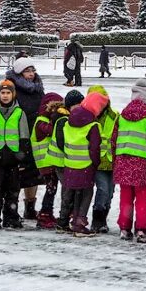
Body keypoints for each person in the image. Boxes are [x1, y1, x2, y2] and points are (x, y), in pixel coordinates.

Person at [113, 79, 146, 243]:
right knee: (142, 198)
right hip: (141, 164)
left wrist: (115, 163)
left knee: (125, 197)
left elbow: (113, 141)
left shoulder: (121, 116)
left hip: (123, 161)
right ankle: (141, 229)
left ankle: (125, 229)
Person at [56, 94, 102, 236]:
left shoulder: (67, 123)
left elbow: (62, 143)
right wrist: (96, 163)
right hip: (86, 166)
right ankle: (79, 223)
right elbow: (94, 148)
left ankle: (65, 221)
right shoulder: (93, 126)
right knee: (86, 194)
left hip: (70, 164)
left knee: (73, 193)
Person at [6, 57, 45, 221]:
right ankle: (11, 209)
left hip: (35, 136)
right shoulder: (11, 88)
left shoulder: (38, 87)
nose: (31, 74)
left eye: (32, 70)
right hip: (19, 137)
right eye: (27, 71)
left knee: (34, 174)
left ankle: (30, 207)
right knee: (17, 174)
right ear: (19, 73)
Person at [0, 80, 27, 230]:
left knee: (13, 189)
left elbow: (24, 135)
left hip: (13, 157)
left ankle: (11, 217)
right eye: (2, 93)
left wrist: (22, 155)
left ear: (13, 94)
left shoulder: (19, 112)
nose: (5, 96)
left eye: (8, 93)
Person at [31, 92, 68, 230]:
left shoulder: (46, 119)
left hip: (50, 161)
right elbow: (52, 131)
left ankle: (47, 212)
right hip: (45, 162)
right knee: (51, 188)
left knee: (52, 187)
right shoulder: (41, 121)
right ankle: (45, 213)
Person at [87, 86, 118, 234]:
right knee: (103, 190)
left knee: (110, 192)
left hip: (112, 160)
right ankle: (97, 219)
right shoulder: (88, 118)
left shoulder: (115, 116)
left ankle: (103, 219)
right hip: (98, 161)